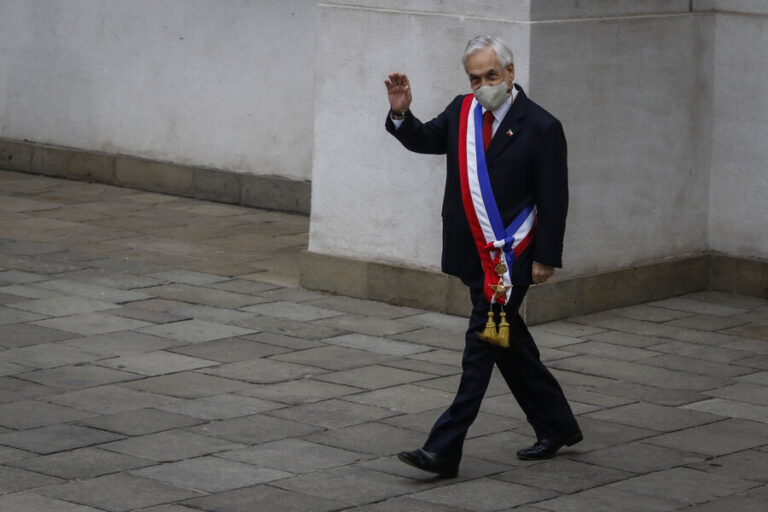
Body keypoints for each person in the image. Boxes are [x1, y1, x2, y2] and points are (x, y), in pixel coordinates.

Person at [384, 35, 581, 478]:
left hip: (512, 259)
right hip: (471, 251)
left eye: (491, 75)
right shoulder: (462, 111)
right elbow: (423, 140)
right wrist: (401, 112)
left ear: (510, 73)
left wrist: (546, 257)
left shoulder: (542, 127)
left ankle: (444, 449)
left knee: (481, 348)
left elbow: (555, 198)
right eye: (475, 78)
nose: (483, 85)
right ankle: (557, 424)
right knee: (509, 344)